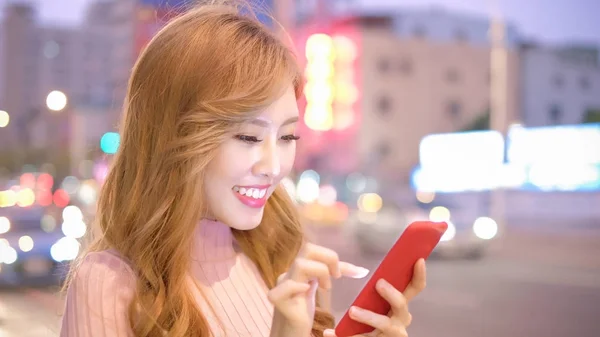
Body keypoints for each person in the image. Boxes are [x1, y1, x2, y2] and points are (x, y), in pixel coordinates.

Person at [59, 1, 427, 336]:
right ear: (174, 137)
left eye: (288, 137)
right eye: (249, 137)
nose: (274, 167)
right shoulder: (107, 285)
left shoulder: (283, 260)